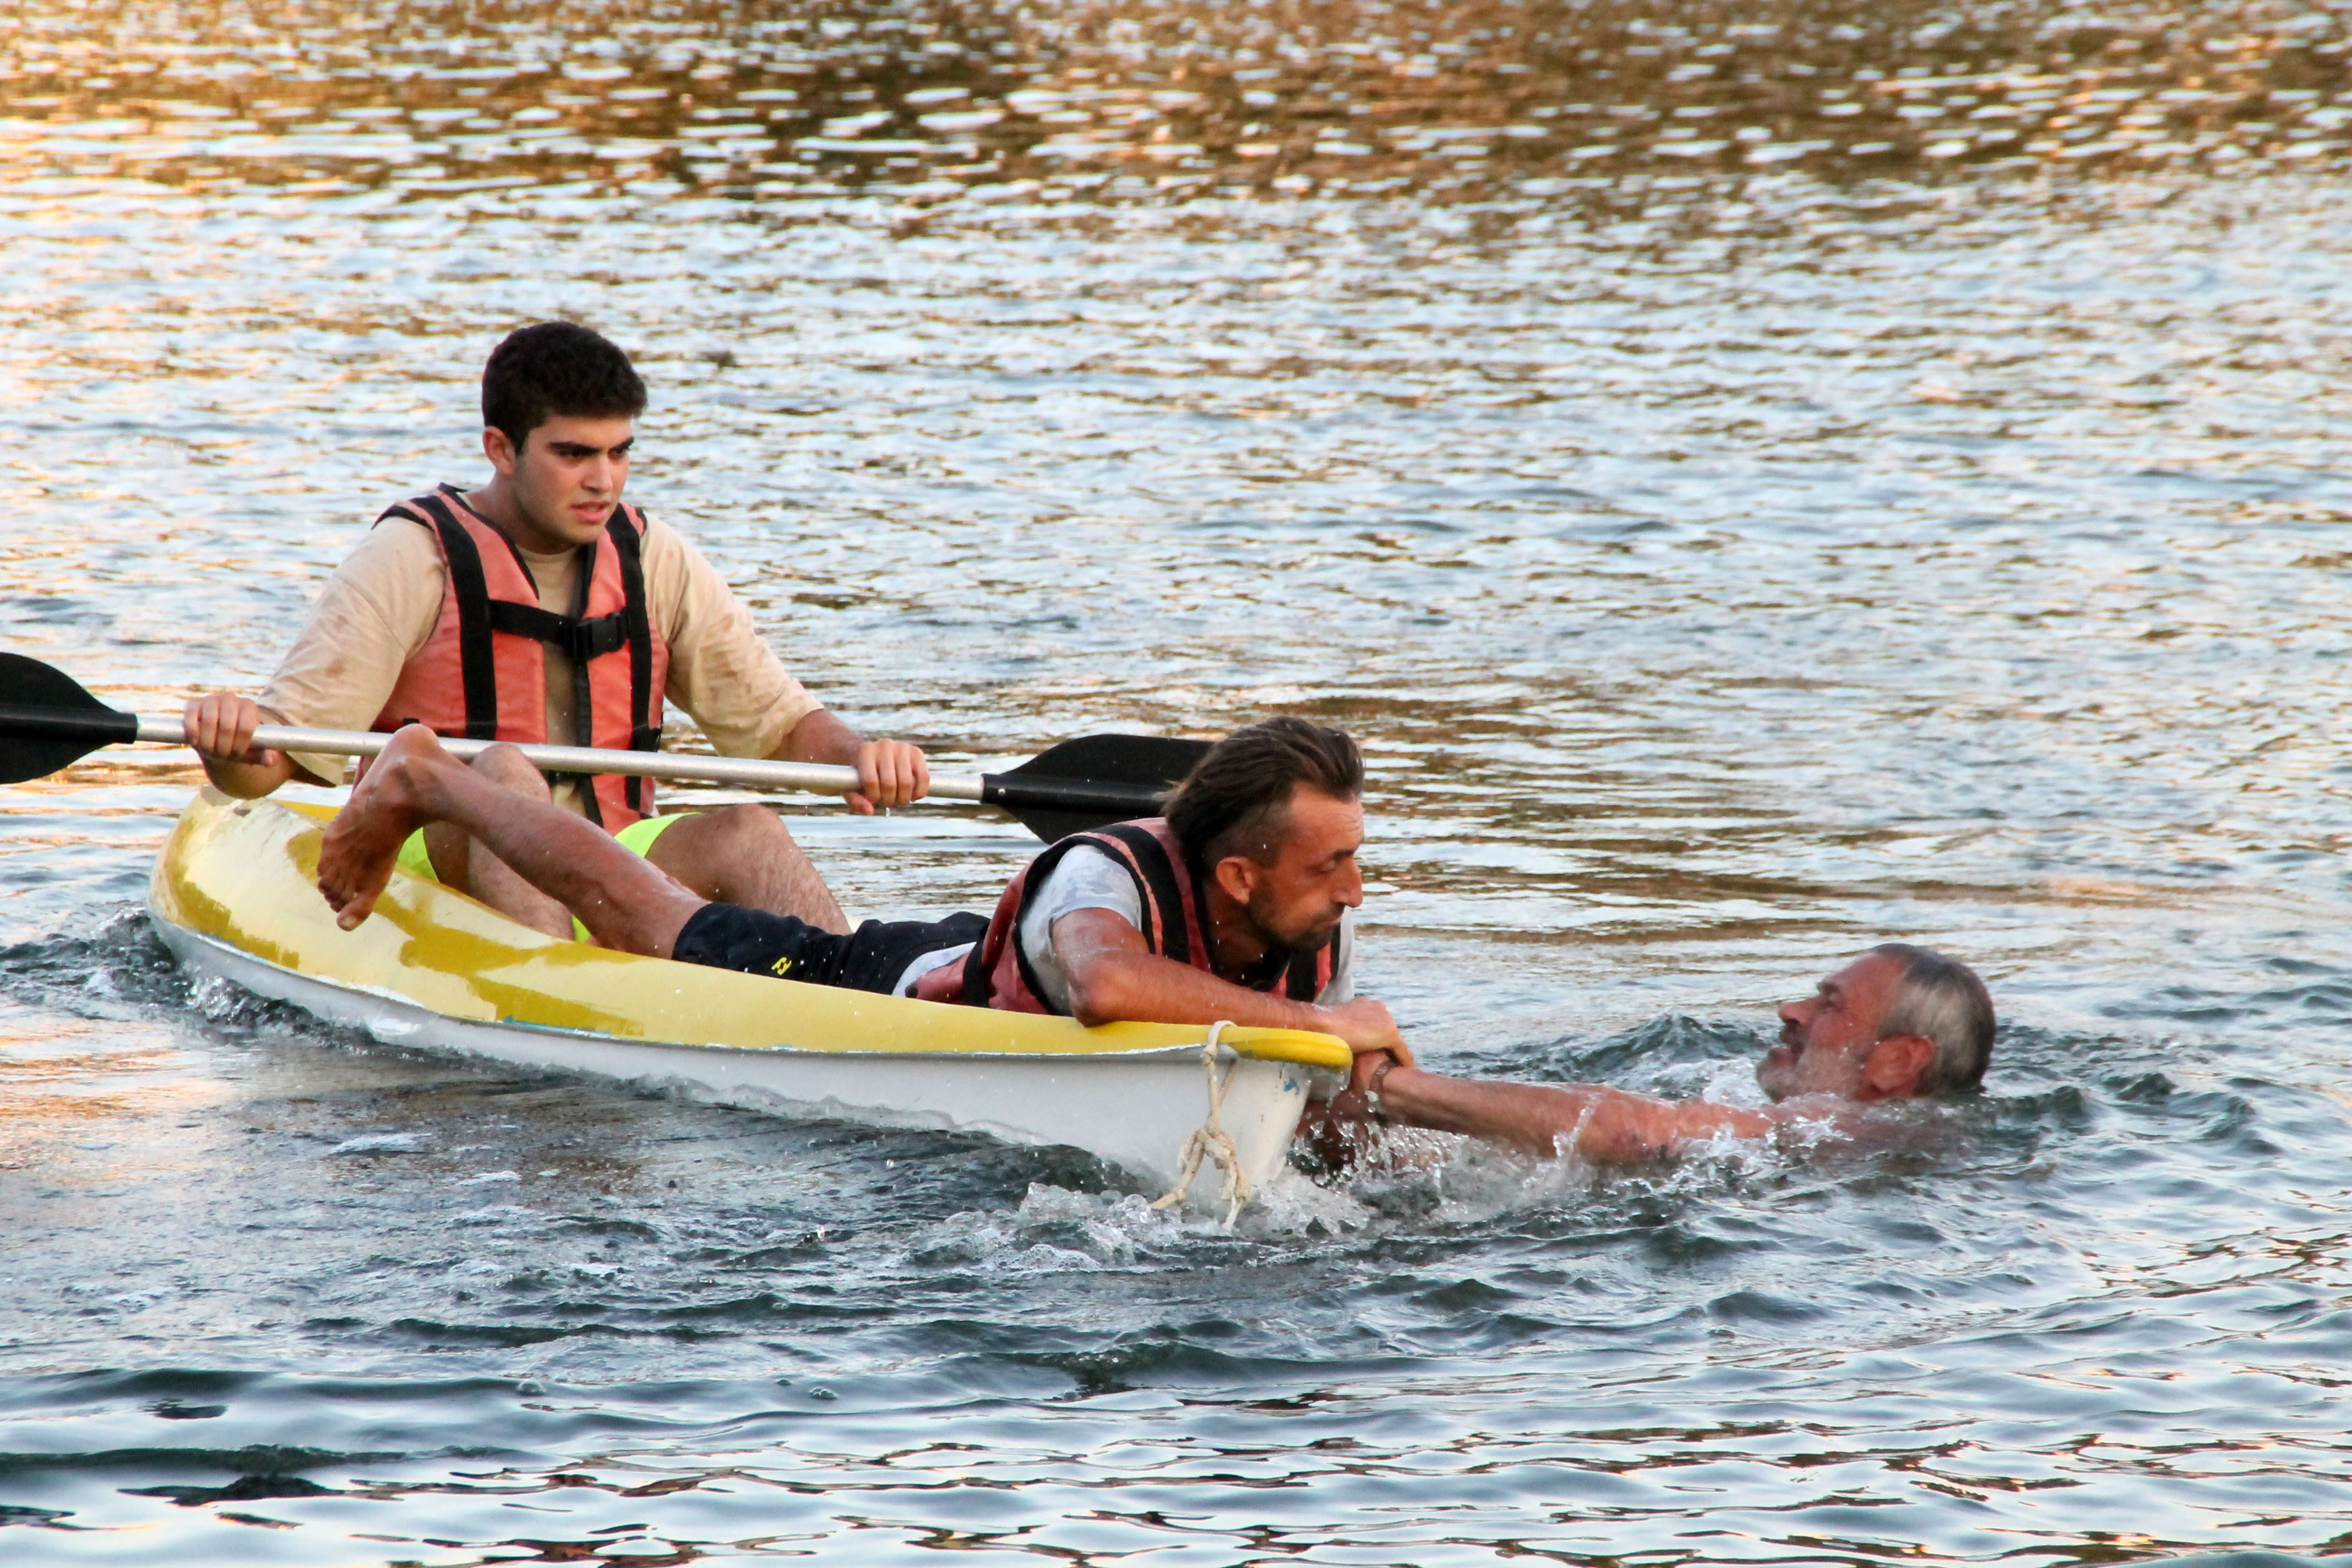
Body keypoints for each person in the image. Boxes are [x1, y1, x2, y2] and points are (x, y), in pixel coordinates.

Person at [181, 321, 928, 941]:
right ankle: (550, 1000)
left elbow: (782, 727)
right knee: (505, 775)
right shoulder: (414, 558)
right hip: (438, 856)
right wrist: (229, 746)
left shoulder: (652, 557)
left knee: (750, 831)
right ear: (502, 449)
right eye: (574, 454)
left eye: (619, 452)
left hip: (613, 853)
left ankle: (857, 999)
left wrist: (861, 757)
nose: (604, 479)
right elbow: (274, 763)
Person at [313, 716, 1415, 1064]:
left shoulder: (1314, 926)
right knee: (645, 918)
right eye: (1334, 863)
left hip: (977, 966)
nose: (1357, 890)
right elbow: (1103, 983)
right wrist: (1320, 1027)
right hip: (892, 977)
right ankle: (432, 776)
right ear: (1237, 874)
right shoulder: (1100, 873)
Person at [1319, 944, 1995, 1166]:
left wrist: (1390, 1086)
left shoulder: (1852, 1130)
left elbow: (1639, 1132)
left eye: (1830, 1004)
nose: (1792, 1011)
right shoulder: (1859, 1141)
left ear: (1899, 1063)